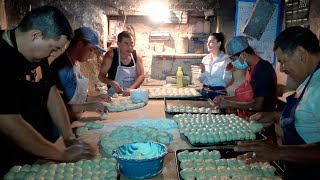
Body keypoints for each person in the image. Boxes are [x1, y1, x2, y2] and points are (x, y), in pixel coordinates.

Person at [0, 6, 95, 177]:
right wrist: (59, 154)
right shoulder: (2, 58)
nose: (54, 54)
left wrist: (68, 137)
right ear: (36, 35)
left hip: (38, 151)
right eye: (54, 48)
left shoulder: (38, 56)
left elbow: (51, 94)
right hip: (7, 160)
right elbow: (8, 122)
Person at [234, 26, 320, 179]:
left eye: (284, 61)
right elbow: (307, 119)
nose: (282, 69)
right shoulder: (309, 81)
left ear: (301, 53)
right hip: (295, 169)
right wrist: (275, 116)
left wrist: (277, 151)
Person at [50, 27, 110, 120]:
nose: (92, 54)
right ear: (79, 45)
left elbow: (74, 98)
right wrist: (87, 107)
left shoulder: (74, 64)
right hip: (62, 128)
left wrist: (95, 98)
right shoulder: (62, 68)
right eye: (91, 49)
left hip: (75, 120)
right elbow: (57, 108)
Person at [213, 36, 277, 120]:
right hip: (251, 120)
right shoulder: (250, 68)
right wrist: (224, 99)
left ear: (243, 55)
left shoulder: (262, 69)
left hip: (262, 124)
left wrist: (229, 103)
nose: (232, 63)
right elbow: (245, 97)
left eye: (233, 59)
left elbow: (257, 105)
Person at [98, 31, 145, 96]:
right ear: (118, 44)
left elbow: (141, 75)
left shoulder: (136, 55)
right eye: (126, 43)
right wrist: (112, 83)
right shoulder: (111, 55)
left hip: (132, 95)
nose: (130, 47)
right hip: (114, 96)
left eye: (131, 43)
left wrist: (131, 89)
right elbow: (101, 76)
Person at [198, 32, 232, 100]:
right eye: (207, 42)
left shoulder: (226, 60)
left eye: (211, 42)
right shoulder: (205, 59)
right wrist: (203, 71)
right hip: (205, 92)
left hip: (218, 94)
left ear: (219, 43)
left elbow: (226, 81)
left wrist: (227, 71)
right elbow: (201, 80)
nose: (207, 44)